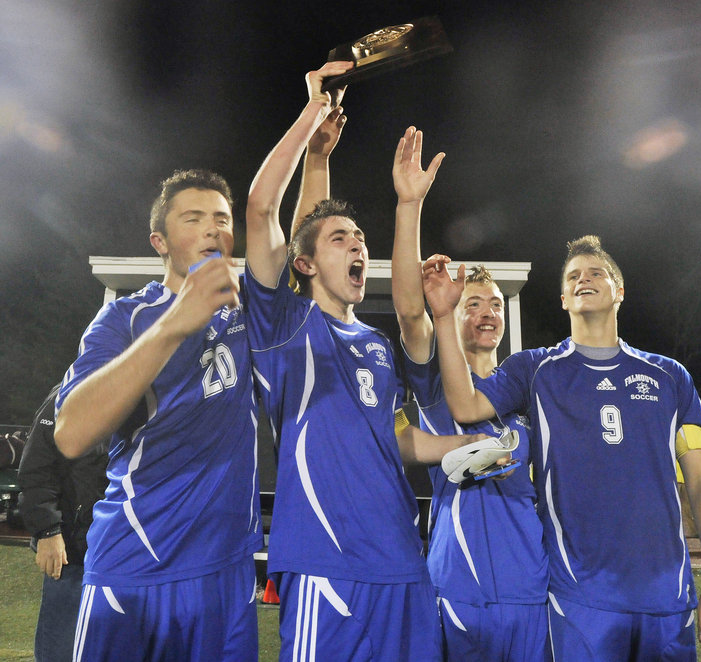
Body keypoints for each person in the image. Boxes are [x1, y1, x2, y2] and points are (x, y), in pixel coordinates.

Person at [242, 62, 494, 661]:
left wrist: (464, 446)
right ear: (304, 265)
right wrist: (311, 120)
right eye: (341, 239)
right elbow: (261, 209)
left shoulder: (378, 348)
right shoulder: (285, 329)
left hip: (403, 561)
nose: (358, 244)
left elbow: (392, 438)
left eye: (361, 238)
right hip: (327, 562)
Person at [423, 235, 701, 659]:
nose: (584, 279)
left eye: (597, 273)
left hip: (667, 595)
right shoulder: (534, 370)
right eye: (573, 276)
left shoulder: (669, 376)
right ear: (562, 298)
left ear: (620, 291)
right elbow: (464, 405)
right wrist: (444, 317)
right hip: (578, 597)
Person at [53, 169, 263, 661]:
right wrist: (174, 323)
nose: (213, 229)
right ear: (160, 242)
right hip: (134, 565)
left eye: (222, 219)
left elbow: (290, 233)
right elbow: (71, 433)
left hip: (225, 569)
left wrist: (315, 148)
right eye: (194, 218)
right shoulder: (126, 317)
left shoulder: (250, 312)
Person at [391, 126, 550, 660]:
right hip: (454, 585)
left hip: (529, 586)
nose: (487, 313)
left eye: (495, 305)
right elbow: (410, 314)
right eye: (473, 304)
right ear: (453, 313)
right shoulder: (434, 382)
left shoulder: (528, 388)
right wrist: (409, 205)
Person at [17, 384, 108, 662]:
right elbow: (36, 467)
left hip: (118, 548)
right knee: (61, 647)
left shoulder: (145, 389)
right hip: (73, 549)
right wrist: (47, 531)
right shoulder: (69, 391)